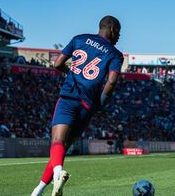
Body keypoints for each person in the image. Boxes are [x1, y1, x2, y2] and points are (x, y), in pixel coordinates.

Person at [31, 15, 123, 196]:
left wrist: (71, 71)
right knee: (63, 147)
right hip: (87, 106)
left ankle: (57, 174)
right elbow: (111, 82)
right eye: (118, 31)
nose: (119, 36)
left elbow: (57, 64)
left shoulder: (79, 39)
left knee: (57, 142)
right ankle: (38, 191)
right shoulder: (115, 54)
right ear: (111, 28)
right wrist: (101, 103)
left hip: (69, 98)